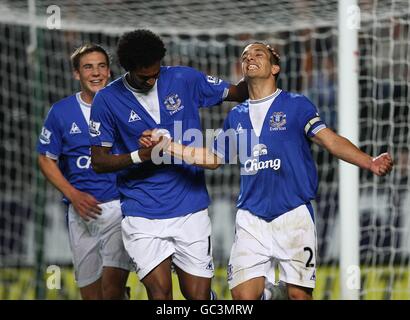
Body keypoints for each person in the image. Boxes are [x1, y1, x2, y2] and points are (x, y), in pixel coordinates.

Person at [146, 42, 394, 300]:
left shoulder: (296, 105)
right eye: (245, 56)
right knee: (243, 298)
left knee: (299, 296)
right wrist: (168, 145)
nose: (250, 57)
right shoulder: (236, 116)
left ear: (274, 67)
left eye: (258, 54)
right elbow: (212, 157)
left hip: (293, 215)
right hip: (251, 218)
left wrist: (370, 161)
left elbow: (329, 140)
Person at [89, 29, 247, 300]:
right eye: (144, 76)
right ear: (128, 69)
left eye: (156, 73)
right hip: (141, 211)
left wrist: (257, 72)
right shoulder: (107, 99)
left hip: (190, 207)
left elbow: (238, 93)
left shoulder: (184, 78)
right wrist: (140, 156)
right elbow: (99, 162)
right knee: (160, 294)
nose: (152, 80)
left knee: (198, 296)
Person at [37, 44, 131, 300]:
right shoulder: (61, 111)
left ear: (109, 72)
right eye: (88, 67)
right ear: (77, 74)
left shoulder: (126, 107)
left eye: (102, 66)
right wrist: (73, 194)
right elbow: (45, 159)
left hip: (118, 208)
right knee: (92, 296)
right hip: (80, 212)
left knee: (110, 291)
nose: (96, 73)